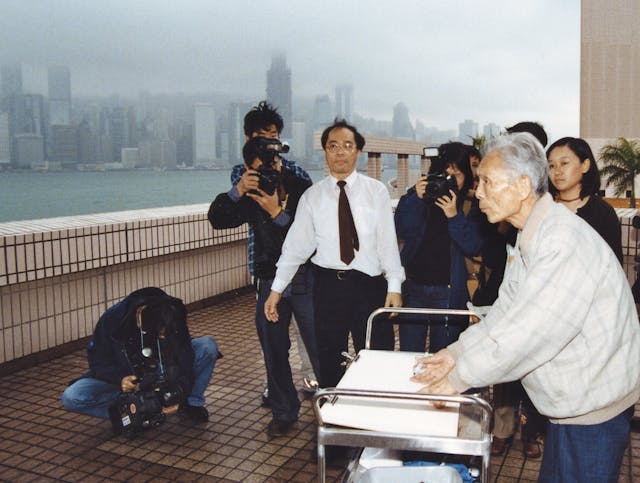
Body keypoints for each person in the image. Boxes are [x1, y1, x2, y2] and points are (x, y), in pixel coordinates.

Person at [412, 132, 640, 483]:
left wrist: (456, 379)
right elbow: (506, 312)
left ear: (521, 186)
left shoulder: (560, 241)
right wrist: (455, 353)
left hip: (594, 408)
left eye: (487, 181)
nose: (478, 192)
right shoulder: (533, 233)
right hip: (571, 404)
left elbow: (530, 334)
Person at [264, 119, 405, 388]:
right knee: (330, 358)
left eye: (347, 145)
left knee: (377, 354)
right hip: (328, 287)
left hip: (369, 286)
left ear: (358, 152)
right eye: (333, 146)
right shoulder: (311, 197)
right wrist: (276, 289)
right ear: (325, 152)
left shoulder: (376, 191)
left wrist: (394, 285)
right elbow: (295, 248)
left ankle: (373, 417)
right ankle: (334, 416)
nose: (340, 151)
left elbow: (387, 243)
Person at [209, 135, 317, 438]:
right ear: (248, 168)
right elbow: (217, 219)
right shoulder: (252, 192)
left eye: (273, 166)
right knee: (273, 348)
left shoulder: (299, 188)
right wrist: (238, 190)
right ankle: (284, 411)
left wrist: (276, 212)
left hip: (306, 277)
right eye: (261, 169)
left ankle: (333, 411)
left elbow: (307, 239)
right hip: (270, 279)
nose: (270, 173)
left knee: (320, 346)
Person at [231, 101, 318, 400]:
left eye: (273, 135)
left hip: (303, 268)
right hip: (267, 268)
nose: (269, 142)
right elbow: (241, 205)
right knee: (272, 335)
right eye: (262, 136)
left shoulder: (296, 172)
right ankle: (276, 385)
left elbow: (308, 215)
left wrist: (283, 177)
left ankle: (313, 379)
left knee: (309, 331)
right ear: (248, 140)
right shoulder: (242, 174)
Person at [61, 287, 220, 424]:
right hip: (128, 376)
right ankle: (133, 413)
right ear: (139, 319)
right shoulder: (112, 320)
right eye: (159, 333)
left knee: (207, 346)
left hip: (161, 372)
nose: (163, 337)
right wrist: (120, 379)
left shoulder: (171, 312)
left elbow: (185, 357)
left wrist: (181, 391)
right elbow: (98, 363)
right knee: (72, 397)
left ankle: (191, 404)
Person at [486, 121, 550, 459]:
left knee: (532, 365)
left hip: (537, 297)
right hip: (506, 290)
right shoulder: (508, 203)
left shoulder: (548, 213)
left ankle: (532, 432)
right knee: (505, 372)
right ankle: (501, 430)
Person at [394, 142, 485, 353]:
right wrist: (416, 199)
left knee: (443, 354)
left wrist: (453, 215)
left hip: (449, 293)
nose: (449, 183)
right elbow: (401, 229)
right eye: (445, 176)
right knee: (409, 353)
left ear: (467, 176)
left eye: (456, 176)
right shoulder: (419, 198)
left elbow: (472, 245)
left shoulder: (472, 205)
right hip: (414, 288)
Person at [547, 136, 623, 264]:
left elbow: (614, 265)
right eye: (551, 166)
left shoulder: (602, 213)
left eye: (564, 163)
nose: (557, 171)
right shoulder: (544, 208)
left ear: (585, 165)